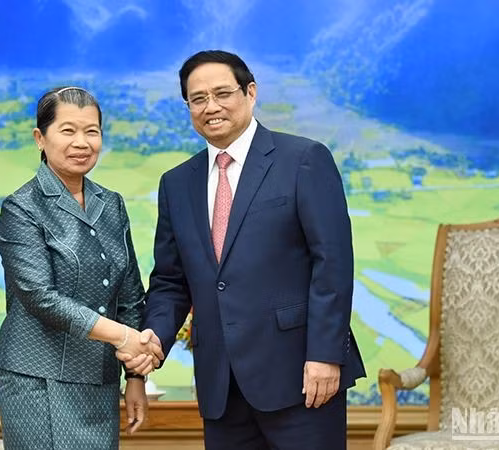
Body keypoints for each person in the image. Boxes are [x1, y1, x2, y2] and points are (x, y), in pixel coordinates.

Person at [124, 50, 366, 449]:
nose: (211, 106)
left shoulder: (303, 159)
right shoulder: (177, 183)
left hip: (302, 378)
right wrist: (154, 339)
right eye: (197, 98)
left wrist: (325, 355)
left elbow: (333, 264)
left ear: (250, 92)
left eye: (222, 93)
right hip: (222, 387)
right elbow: (171, 280)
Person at [0, 86, 164, 450]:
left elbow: (130, 295)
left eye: (92, 131)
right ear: (41, 138)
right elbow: (41, 297)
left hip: (99, 378)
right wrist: (123, 337)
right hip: (37, 379)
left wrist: (135, 377)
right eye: (67, 130)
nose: (82, 142)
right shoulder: (21, 208)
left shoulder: (112, 204)